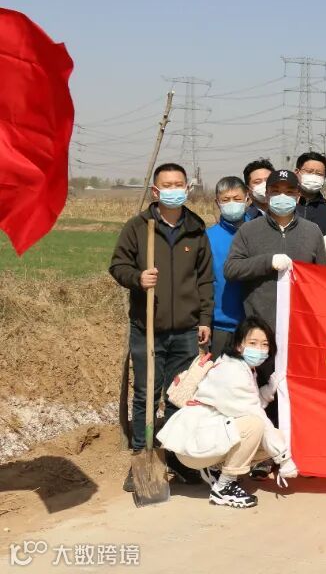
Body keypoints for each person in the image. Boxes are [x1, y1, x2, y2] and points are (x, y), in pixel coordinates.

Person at [109, 163, 214, 491]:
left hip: (185, 328)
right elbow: (118, 265)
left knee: (178, 396)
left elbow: (205, 279)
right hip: (147, 327)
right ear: (155, 191)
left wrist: (204, 319)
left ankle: (178, 458)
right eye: (167, 185)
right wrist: (137, 278)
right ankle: (142, 456)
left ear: (187, 188)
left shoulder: (195, 229)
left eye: (178, 184)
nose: (173, 190)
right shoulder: (138, 227)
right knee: (145, 393)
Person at [156, 316, 297, 508]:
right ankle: (224, 488)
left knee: (269, 437)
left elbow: (247, 403)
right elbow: (255, 414)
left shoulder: (242, 367)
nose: (260, 349)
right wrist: (284, 459)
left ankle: (216, 468)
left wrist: (269, 389)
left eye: (265, 344)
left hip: (205, 437)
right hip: (194, 445)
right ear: (239, 345)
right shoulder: (233, 372)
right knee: (255, 426)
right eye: (253, 343)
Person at [224, 168, 326, 333]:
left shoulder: (312, 231)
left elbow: (323, 280)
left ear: (298, 196)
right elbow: (231, 269)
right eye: (276, 191)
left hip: (300, 326)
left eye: (289, 192)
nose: (282, 196)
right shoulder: (248, 230)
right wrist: (268, 262)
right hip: (259, 328)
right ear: (267, 195)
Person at [207, 176, 250, 358]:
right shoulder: (207, 237)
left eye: (237, 198)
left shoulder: (258, 232)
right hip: (220, 325)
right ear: (217, 202)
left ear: (247, 199)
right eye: (226, 199)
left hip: (253, 326)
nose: (232, 203)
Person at [294, 152, 326, 235]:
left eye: (319, 174)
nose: (313, 176)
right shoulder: (285, 205)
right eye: (309, 171)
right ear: (297, 172)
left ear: (324, 177)